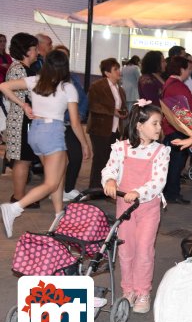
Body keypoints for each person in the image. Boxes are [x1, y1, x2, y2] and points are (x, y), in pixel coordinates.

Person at [0, 50, 90, 238]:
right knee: (51, 183)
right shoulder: (67, 87)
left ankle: (58, 215)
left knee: (59, 171)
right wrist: (85, 144)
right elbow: (75, 122)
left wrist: (24, 105)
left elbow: (3, 86)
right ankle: (15, 208)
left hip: (36, 132)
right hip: (53, 132)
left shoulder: (35, 80)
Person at [101, 103, 170, 313]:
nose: (159, 127)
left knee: (144, 250)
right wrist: (110, 181)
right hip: (125, 208)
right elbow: (109, 168)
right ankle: (128, 289)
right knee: (125, 249)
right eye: (154, 123)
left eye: (160, 123)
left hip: (148, 208)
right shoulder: (120, 148)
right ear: (139, 126)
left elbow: (159, 181)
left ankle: (143, 292)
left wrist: (139, 192)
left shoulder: (160, 151)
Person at [3, 33, 40, 209]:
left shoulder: (23, 68)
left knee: (24, 159)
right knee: (22, 160)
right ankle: (18, 198)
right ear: (26, 51)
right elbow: (8, 91)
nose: (37, 52)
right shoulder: (18, 68)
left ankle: (20, 195)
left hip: (24, 120)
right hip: (20, 121)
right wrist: (24, 104)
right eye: (34, 49)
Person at [53, 45, 89, 201]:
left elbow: (83, 98)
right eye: (60, 56)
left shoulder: (72, 79)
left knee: (76, 157)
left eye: (66, 57)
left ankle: (67, 189)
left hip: (70, 124)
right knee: (57, 163)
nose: (63, 60)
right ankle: (54, 190)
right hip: (53, 127)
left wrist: (79, 113)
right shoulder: (45, 79)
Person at [161, 55, 192, 205]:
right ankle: (172, 193)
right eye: (188, 69)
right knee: (176, 164)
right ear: (181, 69)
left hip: (170, 127)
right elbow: (190, 108)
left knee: (171, 164)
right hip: (177, 129)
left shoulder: (169, 83)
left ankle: (169, 192)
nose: (189, 72)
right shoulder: (178, 86)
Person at [87, 58, 127, 190]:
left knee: (111, 160)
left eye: (118, 68)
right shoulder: (97, 86)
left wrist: (124, 113)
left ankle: (107, 187)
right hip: (99, 128)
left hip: (115, 128)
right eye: (115, 69)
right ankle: (94, 188)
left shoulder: (120, 89)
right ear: (107, 73)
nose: (118, 72)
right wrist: (113, 111)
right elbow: (93, 106)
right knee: (100, 158)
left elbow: (122, 106)